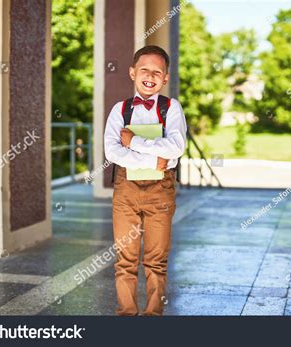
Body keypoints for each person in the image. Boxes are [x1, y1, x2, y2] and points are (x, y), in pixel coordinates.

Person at [104, 45, 187, 316]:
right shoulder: (120, 109)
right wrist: (154, 159)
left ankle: (153, 316)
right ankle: (126, 315)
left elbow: (176, 147)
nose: (149, 75)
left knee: (156, 260)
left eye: (157, 71)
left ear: (164, 78)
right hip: (126, 188)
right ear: (132, 73)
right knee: (125, 259)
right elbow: (112, 151)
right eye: (144, 70)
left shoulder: (171, 108)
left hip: (160, 191)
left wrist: (134, 142)